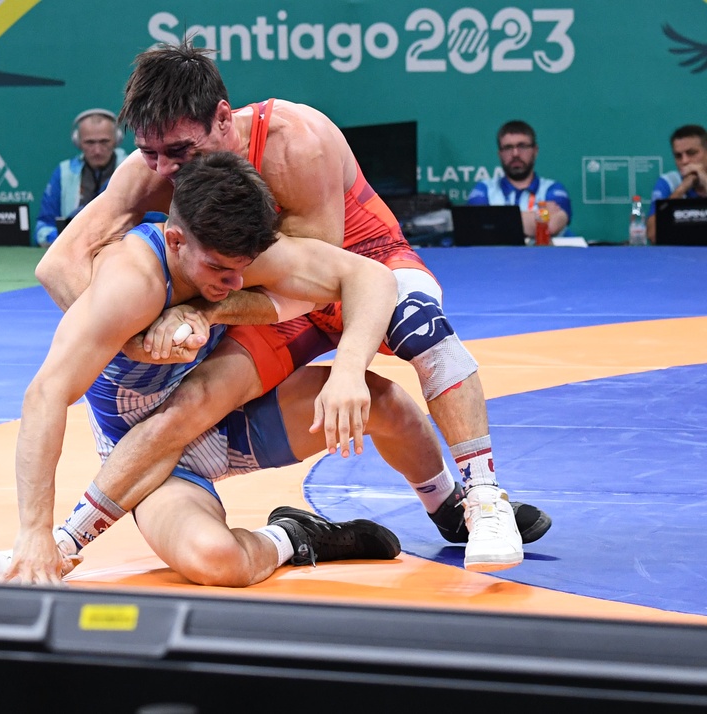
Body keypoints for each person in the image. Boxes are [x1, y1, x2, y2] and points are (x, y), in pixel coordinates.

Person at [31, 41, 552, 578]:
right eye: (150, 153)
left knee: (423, 329)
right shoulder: (155, 167)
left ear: (222, 120)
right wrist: (132, 335)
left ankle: (480, 499)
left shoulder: (294, 140)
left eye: (181, 152)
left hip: (351, 265)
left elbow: (319, 288)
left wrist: (215, 320)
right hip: (260, 290)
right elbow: (60, 263)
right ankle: (65, 540)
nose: (165, 170)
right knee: (195, 399)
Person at [0, 152, 410, 587]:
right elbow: (45, 393)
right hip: (140, 451)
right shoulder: (131, 283)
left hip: (219, 418)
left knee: (386, 403)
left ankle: (458, 507)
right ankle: (292, 536)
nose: (234, 284)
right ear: (176, 240)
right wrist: (33, 532)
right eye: (219, 269)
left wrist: (349, 370)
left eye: (242, 270)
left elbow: (373, 278)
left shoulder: (233, 249)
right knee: (219, 561)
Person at [33, 109, 129, 246]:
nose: (97, 150)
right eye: (89, 143)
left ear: (117, 139)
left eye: (104, 142)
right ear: (77, 142)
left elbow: (152, 224)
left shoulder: (132, 169)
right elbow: (42, 227)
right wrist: (64, 238)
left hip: (121, 251)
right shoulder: (63, 172)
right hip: (71, 253)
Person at [466, 120, 572, 239]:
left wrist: (494, 221)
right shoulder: (483, 189)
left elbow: (551, 226)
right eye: (508, 147)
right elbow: (478, 224)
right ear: (499, 154)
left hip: (543, 257)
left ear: (535, 151)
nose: (515, 153)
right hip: (496, 257)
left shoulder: (553, 189)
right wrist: (539, 217)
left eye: (522, 146)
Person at [646, 124, 707, 243]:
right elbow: (653, 235)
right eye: (678, 156)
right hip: (678, 258)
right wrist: (681, 190)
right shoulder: (669, 182)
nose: (684, 161)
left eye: (692, 153)